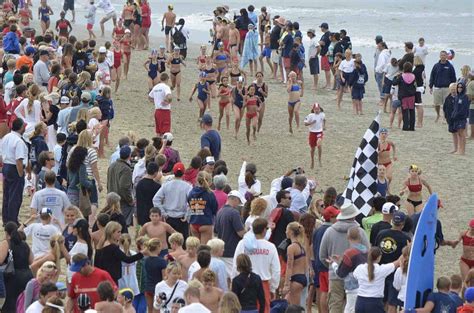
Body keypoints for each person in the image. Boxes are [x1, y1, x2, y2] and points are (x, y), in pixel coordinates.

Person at [319, 203, 370, 313]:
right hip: (356, 276)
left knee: (335, 305)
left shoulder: (330, 231)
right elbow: (368, 253)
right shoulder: (359, 232)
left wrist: (334, 266)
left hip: (335, 275)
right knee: (353, 306)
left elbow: (322, 256)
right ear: (353, 216)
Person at [232, 218, 281, 313]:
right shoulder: (270, 246)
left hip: (243, 282)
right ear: (263, 230)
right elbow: (276, 270)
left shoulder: (243, 244)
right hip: (263, 283)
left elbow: (235, 264)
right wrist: (273, 288)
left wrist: (235, 280)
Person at [374, 211, 411, 313]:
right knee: (392, 303)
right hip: (394, 274)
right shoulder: (405, 238)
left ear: (392, 221)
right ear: (402, 224)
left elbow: (376, 250)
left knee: (380, 301)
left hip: (381, 271)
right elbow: (406, 256)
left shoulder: (381, 234)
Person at [327, 227, 368, 313]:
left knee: (350, 309)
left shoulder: (349, 253)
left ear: (348, 237)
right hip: (365, 284)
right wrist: (341, 261)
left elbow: (340, 273)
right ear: (360, 237)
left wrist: (333, 263)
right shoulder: (366, 250)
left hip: (352, 287)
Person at [353, 247, 402, 313]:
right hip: (375, 303)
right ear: (379, 257)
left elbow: (355, 276)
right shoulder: (381, 270)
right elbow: (398, 262)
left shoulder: (359, 268)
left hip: (360, 302)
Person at [153, 162, 192, 239]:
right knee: (182, 244)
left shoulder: (166, 185)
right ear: (183, 173)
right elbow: (192, 202)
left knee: (170, 243)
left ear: (173, 172)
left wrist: (163, 213)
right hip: (182, 218)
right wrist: (187, 215)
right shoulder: (188, 187)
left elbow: (155, 199)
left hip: (169, 217)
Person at [0, 222, 34, 312]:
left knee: (10, 304)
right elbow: (31, 261)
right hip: (27, 275)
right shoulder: (25, 244)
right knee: (23, 303)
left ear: (6, 232)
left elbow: (0, 260)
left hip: (12, 276)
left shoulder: (6, 243)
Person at [1, 118, 29, 224]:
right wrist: (21, 174)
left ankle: (6, 219)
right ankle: (12, 220)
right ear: (21, 127)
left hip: (6, 165)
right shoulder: (18, 141)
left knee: (7, 194)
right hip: (14, 168)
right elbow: (19, 160)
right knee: (15, 196)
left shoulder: (6, 137)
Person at [215, 190, 246, 277]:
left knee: (225, 277)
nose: (238, 205)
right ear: (235, 199)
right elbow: (241, 233)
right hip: (232, 250)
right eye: (239, 202)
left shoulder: (220, 211)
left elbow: (216, 231)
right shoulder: (234, 213)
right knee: (234, 276)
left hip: (222, 250)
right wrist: (248, 231)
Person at [107, 145, 134, 226]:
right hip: (121, 201)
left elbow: (108, 182)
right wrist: (130, 201)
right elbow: (124, 187)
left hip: (112, 198)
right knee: (121, 225)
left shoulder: (112, 165)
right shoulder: (126, 169)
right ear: (129, 156)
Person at [188, 171, 218, 244]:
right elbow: (215, 209)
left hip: (194, 222)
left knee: (195, 249)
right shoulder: (210, 194)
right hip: (205, 222)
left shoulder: (192, 192)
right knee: (204, 249)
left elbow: (189, 204)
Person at [283, 222, 307, 305]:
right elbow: (305, 264)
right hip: (302, 276)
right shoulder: (302, 246)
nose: (285, 232)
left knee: (294, 308)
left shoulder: (291, 247)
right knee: (287, 302)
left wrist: (286, 284)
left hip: (295, 278)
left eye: (287, 230)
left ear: (291, 232)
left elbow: (289, 266)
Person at [429, 50, 457, 122]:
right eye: (441, 55)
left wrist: (454, 87)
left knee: (446, 104)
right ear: (439, 56)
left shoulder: (450, 66)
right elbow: (432, 76)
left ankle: (445, 117)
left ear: (446, 56)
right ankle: (438, 115)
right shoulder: (436, 66)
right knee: (436, 104)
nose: (443, 56)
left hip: (447, 88)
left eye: (444, 55)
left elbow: (453, 77)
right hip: (437, 87)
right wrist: (430, 86)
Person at [393, 62, 417, 131]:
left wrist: (395, 77)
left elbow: (394, 83)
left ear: (404, 68)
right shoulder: (413, 76)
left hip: (403, 96)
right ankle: (412, 127)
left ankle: (405, 126)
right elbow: (415, 85)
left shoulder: (401, 76)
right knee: (412, 111)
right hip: (411, 96)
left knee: (405, 111)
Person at [304, 102, 325, 169]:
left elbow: (324, 120)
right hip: (312, 133)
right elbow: (305, 123)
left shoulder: (322, 114)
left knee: (319, 145)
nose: (317, 110)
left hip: (319, 132)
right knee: (312, 149)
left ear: (320, 109)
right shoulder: (310, 115)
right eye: (315, 109)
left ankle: (319, 159)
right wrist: (311, 122)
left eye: (318, 109)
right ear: (313, 109)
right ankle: (312, 161)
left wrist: (324, 126)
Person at [451, 82, 470, 155]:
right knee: (458, 133)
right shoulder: (457, 97)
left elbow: (464, 109)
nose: (459, 89)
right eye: (458, 87)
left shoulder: (464, 97)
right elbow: (455, 108)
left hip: (461, 118)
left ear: (463, 88)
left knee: (462, 134)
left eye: (461, 87)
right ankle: (459, 149)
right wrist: (453, 115)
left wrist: (458, 115)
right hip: (456, 118)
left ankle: (462, 150)